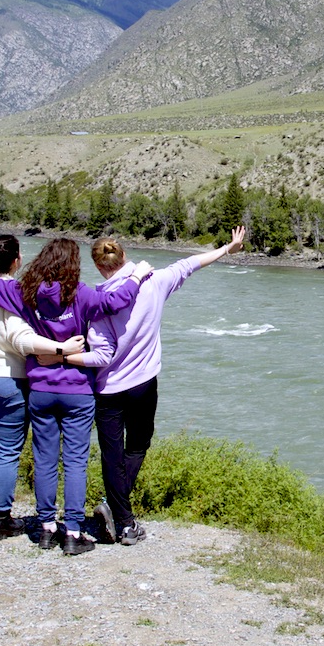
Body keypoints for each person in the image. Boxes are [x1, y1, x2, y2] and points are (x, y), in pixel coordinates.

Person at [0, 238, 139, 555]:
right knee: (75, 463)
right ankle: (73, 531)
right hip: (78, 391)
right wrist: (137, 277)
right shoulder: (81, 294)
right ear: (73, 264)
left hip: (40, 389)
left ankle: (45, 528)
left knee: (44, 461)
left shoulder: (25, 292)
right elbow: (116, 301)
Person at [87, 224, 247, 545]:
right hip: (143, 384)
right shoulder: (156, 282)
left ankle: (120, 516)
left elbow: (97, 351)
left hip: (107, 389)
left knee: (111, 454)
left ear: (99, 266)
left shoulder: (97, 301)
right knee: (138, 445)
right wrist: (229, 248)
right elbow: (191, 263)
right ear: (125, 255)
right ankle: (119, 514)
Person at [0, 233, 84, 541]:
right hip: (8, 380)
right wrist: (61, 348)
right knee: (7, 449)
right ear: (17, 259)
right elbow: (21, 340)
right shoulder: (18, 294)